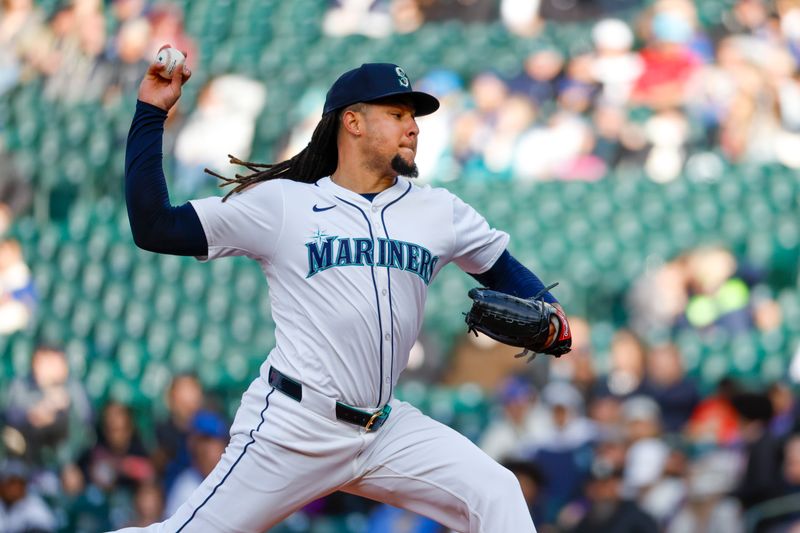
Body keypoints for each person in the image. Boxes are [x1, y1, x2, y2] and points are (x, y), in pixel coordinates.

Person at [117, 45, 572, 532]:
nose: (413, 126)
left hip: (385, 428)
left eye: (413, 116)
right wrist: (151, 113)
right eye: (397, 114)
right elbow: (155, 227)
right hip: (295, 425)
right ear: (352, 122)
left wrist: (551, 312)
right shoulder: (284, 205)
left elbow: (502, 269)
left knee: (496, 492)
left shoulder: (439, 210)